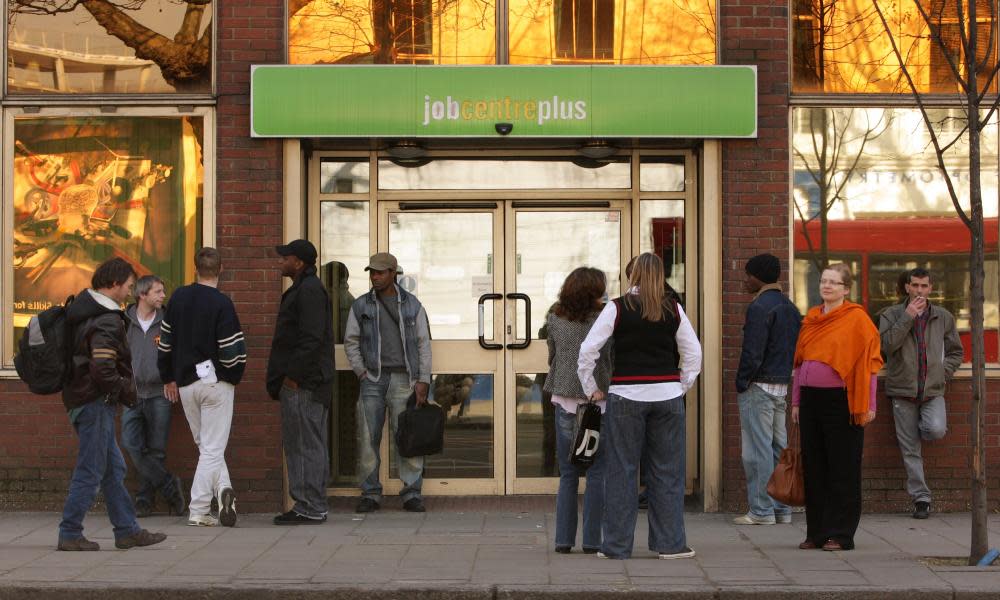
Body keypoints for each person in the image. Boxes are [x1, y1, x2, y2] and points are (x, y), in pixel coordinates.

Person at [578, 252, 702, 560]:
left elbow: (588, 351)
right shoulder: (673, 307)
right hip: (667, 397)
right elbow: (693, 354)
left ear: (632, 275)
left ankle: (617, 546)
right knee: (667, 473)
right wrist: (679, 385)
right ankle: (670, 544)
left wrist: (591, 388)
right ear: (660, 276)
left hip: (626, 397)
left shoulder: (617, 308)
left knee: (622, 472)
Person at [58, 257, 167, 551]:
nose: (131, 292)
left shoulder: (83, 310)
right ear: (115, 283)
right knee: (91, 469)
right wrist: (126, 392)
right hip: (94, 401)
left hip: (83, 398)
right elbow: (103, 367)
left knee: (112, 468)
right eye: (129, 286)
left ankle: (127, 530)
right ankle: (70, 532)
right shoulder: (105, 318)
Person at [791, 263, 883, 551]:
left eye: (834, 282)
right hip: (809, 399)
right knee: (814, 466)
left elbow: (870, 365)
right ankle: (816, 532)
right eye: (823, 281)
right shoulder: (812, 318)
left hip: (841, 401)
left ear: (846, 289)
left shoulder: (857, 320)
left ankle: (840, 534)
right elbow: (799, 363)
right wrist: (795, 401)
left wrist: (869, 403)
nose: (827, 286)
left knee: (842, 467)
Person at [158, 247, 247, 527]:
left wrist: (167, 376)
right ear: (221, 270)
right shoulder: (222, 304)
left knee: (205, 445)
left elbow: (165, 343)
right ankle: (198, 509)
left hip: (185, 383)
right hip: (215, 382)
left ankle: (223, 492)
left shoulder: (178, 298)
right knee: (212, 447)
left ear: (194, 268)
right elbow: (232, 350)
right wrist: (233, 375)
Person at [345, 252, 432, 513]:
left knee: (408, 437)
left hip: (405, 378)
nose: (375, 276)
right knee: (366, 438)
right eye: (372, 272)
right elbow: (351, 341)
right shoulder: (361, 305)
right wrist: (361, 371)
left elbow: (423, 344)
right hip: (372, 379)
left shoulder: (412, 305)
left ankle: (411, 493)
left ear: (394, 273)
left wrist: (423, 380)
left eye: (381, 272)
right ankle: (370, 493)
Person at [879, 267, 963, 519]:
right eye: (914, 285)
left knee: (935, 429)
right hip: (902, 391)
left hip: (932, 390)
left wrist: (942, 372)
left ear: (930, 288)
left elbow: (956, 352)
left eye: (924, 286)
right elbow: (885, 347)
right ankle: (921, 498)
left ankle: (919, 428)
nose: (919, 290)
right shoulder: (890, 314)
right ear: (907, 287)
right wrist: (907, 317)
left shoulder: (943, 317)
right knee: (910, 450)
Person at [544, 267, 613, 554]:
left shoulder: (555, 316)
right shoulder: (606, 317)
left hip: (565, 399)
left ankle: (563, 540)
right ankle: (592, 541)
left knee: (568, 473)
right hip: (599, 402)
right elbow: (610, 356)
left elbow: (553, 355)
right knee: (597, 472)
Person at [268, 240, 336, 525]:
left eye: (286, 257)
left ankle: (310, 506)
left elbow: (311, 339)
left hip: (305, 384)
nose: (281, 262)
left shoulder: (308, 291)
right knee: (306, 443)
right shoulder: (306, 288)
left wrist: (293, 377)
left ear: (298, 262)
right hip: (305, 382)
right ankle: (309, 503)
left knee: (305, 444)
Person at [733, 253, 802, 525]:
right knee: (778, 448)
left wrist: (742, 382)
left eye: (748, 274)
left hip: (758, 386)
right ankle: (782, 508)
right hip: (781, 386)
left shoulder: (759, 307)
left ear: (759, 276)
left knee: (756, 451)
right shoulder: (790, 307)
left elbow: (752, 352)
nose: (745, 280)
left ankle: (761, 510)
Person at [122, 274, 185, 518]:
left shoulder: (168, 321)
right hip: (132, 393)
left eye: (162, 291)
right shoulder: (124, 321)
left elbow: (177, 353)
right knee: (131, 443)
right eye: (157, 292)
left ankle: (144, 500)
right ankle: (169, 486)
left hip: (160, 393)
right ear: (142, 295)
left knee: (157, 450)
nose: (162, 296)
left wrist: (173, 379)